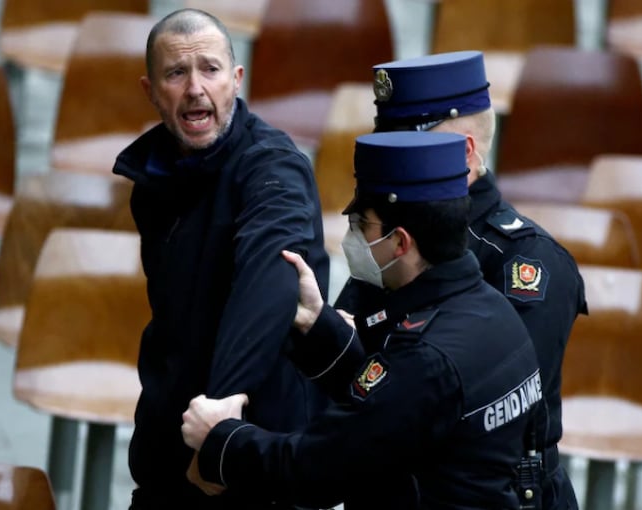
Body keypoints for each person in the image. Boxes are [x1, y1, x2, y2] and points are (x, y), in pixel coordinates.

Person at [181, 131, 545, 509]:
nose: (351, 238)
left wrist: (221, 440)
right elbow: (396, 411)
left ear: (400, 242)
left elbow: (317, 470)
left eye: (361, 225)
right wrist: (315, 323)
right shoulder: (491, 310)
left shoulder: (428, 358)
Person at [335, 51, 588, 509]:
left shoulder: (526, 261)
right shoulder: (389, 234)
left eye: (408, 145)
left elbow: (477, 415)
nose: (389, 159)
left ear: (466, 152)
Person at [112, 8, 330, 509]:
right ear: (150, 90)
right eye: (176, 73)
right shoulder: (152, 184)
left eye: (209, 69)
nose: (194, 88)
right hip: (169, 463)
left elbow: (270, 284)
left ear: (235, 80)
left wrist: (219, 430)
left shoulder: (273, 168)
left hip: (249, 463)